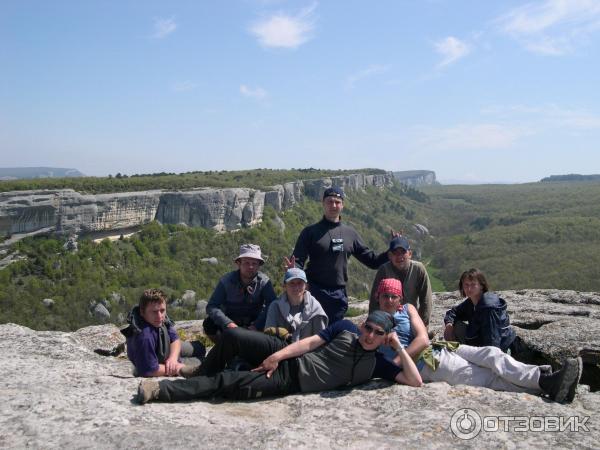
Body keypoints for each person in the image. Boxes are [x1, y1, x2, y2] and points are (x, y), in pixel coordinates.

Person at [135, 311, 423, 404]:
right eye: (368, 327)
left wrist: (397, 348)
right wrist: (276, 355)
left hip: (290, 380)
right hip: (287, 354)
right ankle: (198, 372)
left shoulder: (379, 364)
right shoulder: (346, 328)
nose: (369, 335)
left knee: (227, 382)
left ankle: (161, 390)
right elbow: (309, 343)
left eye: (377, 333)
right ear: (362, 325)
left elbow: (415, 381)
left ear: (386, 336)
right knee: (233, 337)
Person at [375, 278, 582, 404]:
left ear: (400, 298)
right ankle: (546, 384)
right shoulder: (372, 324)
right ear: (378, 297)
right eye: (385, 295)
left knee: (491, 354)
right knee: (487, 377)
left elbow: (422, 338)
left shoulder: (409, 309)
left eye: (394, 296)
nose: (389, 300)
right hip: (428, 365)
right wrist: (397, 364)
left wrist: (398, 359)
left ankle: (543, 375)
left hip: (441, 348)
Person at [289, 186, 389, 324]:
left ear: (342, 205)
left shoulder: (350, 233)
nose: (333, 205)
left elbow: (372, 261)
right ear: (323, 203)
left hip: (338, 294)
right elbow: (298, 260)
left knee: (333, 336)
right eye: (329, 201)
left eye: (337, 202)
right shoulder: (310, 232)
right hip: (314, 291)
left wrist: (391, 250)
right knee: (311, 334)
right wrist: (295, 272)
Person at [121, 289, 206, 377]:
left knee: (200, 347)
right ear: (142, 312)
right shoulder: (144, 337)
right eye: (154, 312)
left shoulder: (158, 318)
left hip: (166, 346)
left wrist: (172, 358)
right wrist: (176, 368)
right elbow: (150, 370)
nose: (159, 316)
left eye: (162, 310)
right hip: (156, 360)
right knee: (204, 362)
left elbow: (175, 339)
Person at [204, 243, 277, 343]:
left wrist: (256, 325)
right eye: (246, 263)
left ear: (259, 265)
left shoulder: (264, 282)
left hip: (254, 323)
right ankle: (222, 346)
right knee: (209, 324)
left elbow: (273, 304)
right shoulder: (226, 281)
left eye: (254, 263)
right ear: (239, 263)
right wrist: (227, 323)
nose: (250, 267)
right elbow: (212, 306)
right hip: (231, 323)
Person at [443, 268, 517, 353]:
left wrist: (488, 359)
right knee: (456, 325)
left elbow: (492, 339)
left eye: (473, 284)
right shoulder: (472, 302)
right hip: (479, 341)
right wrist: (449, 324)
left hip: (500, 347)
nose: (469, 288)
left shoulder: (488, 308)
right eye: (466, 285)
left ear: (481, 286)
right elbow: (454, 312)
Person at [368, 236, 433, 327]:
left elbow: (426, 299)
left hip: (411, 318)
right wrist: (372, 324)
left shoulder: (418, 269)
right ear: (390, 256)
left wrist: (423, 325)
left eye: (403, 252)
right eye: (395, 253)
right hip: (388, 319)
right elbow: (375, 300)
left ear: (410, 254)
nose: (399, 256)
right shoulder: (384, 270)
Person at [264, 267, 328, 342]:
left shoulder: (315, 309)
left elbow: (320, 340)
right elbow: (268, 338)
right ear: (284, 286)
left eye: (300, 283)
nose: (296, 287)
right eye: (292, 283)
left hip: (308, 352)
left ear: (306, 286)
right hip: (280, 350)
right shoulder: (275, 306)